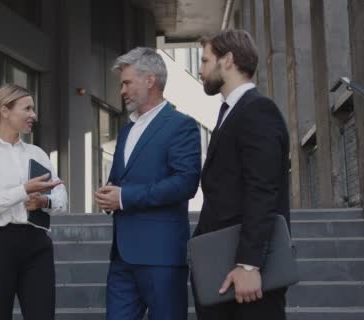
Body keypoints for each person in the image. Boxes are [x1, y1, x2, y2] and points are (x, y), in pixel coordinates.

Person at [95, 47, 201, 320]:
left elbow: (185, 183)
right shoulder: (126, 130)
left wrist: (124, 197)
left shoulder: (181, 125)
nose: (122, 90)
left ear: (150, 80)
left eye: (127, 82)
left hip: (161, 256)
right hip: (121, 258)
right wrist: (109, 194)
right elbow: (122, 180)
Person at [191, 30, 291, 320]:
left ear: (228, 60)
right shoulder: (232, 112)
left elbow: (262, 190)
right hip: (223, 269)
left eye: (206, 60)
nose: (200, 69)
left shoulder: (258, 111)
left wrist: (249, 265)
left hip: (247, 277)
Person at [0, 83, 67, 320]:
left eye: (33, 109)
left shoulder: (37, 153)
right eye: (27, 108)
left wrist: (44, 202)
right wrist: (23, 191)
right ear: (5, 110)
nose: (34, 115)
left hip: (37, 245)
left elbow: (61, 195)